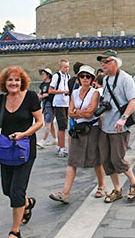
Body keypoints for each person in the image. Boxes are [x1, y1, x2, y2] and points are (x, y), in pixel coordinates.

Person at [0, 66, 43, 238]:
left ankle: (15, 231)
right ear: (4, 82)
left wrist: (24, 134)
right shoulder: (0, 100)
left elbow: (39, 121)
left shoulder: (30, 97)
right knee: (7, 190)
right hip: (6, 149)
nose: (13, 83)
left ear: (22, 82)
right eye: (10, 80)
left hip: (25, 149)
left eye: (17, 80)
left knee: (16, 191)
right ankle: (27, 204)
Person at [50, 65, 107, 203]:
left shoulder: (95, 93)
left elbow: (90, 113)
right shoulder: (75, 93)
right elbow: (69, 112)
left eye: (88, 76)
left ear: (92, 79)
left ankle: (102, 186)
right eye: (82, 76)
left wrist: (76, 111)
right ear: (79, 78)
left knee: (96, 160)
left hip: (92, 129)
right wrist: (78, 112)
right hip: (78, 129)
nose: (85, 79)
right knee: (72, 161)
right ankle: (65, 193)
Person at [97, 49, 135, 202]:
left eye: (106, 61)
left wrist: (123, 118)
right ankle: (117, 189)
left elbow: (133, 100)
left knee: (117, 159)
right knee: (106, 160)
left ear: (115, 62)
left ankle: (134, 182)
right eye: (101, 62)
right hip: (105, 126)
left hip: (119, 127)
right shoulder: (106, 80)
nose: (103, 64)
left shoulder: (126, 79)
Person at [49, 59, 71, 157]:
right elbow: (51, 90)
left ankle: (59, 146)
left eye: (68, 67)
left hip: (66, 103)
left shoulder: (68, 76)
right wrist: (63, 91)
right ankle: (62, 148)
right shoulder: (56, 76)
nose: (67, 69)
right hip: (59, 103)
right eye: (65, 67)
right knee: (62, 126)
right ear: (60, 67)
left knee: (64, 125)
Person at [37, 68, 57, 148]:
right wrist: (41, 96)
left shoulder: (52, 84)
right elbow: (40, 94)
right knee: (51, 123)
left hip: (50, 104)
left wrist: (47, 95)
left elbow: (52, 92)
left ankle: (43, 140)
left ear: (48, 74)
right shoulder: (42, 84)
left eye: (43, 74)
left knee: (47, 123)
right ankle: (55, 139)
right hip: (45, 104)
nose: (42, 75)